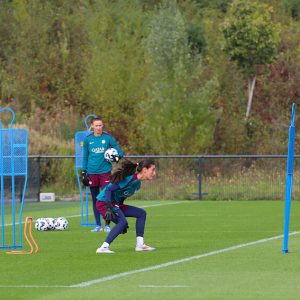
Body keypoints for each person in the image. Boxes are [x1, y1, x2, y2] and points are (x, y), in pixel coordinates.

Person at [95, 159, 157, 253]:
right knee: (122, 222)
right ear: (144, 170)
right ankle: (103, 248)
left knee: (141, 213)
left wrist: (118, 210)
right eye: (152, 169)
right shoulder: (129, 179)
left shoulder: (137, 184)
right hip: (104, 202)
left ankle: (140, 245)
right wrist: (108, 207)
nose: (154, 173)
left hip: (115, 203)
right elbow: (108, 190)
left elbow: (121, 195)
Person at [82, 116, 124, 232]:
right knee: (95, 199)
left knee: (106, 198)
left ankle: (107, 225)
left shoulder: (108, 138)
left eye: (100, 125)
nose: (98, 128)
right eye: (96, 125)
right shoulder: (87, 140)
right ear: (92, 126)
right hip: (92, 172)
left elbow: (120, 152)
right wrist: (83, 172)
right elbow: (85, 157)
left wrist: (115, 157)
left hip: (105, 172)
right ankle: (97, 225)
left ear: (103, 126)